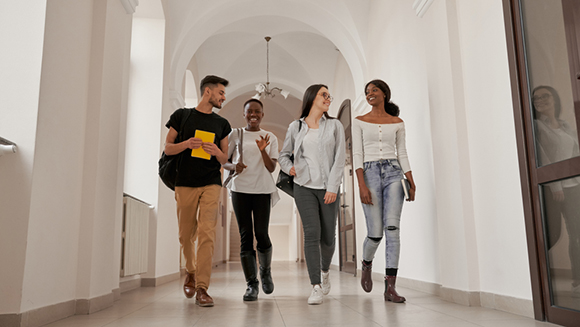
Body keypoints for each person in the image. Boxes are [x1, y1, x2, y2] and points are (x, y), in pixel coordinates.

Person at [164, 75, 232, 307]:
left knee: (207, 233)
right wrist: (187, 144)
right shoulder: (181, 116)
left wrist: (216, 151)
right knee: (185, 234)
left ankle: (202, 288)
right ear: (207, 92)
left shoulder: (222, 124)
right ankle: (190, 272)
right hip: (184, 182)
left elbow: (225, 160)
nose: (223, 97)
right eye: (221, 92)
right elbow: (168, 148)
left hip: (211, 182)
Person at [279, 84, 346, 305]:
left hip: (328, 187)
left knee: (328, 238)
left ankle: (325, 271)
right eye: (323, 94)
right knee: (311, 233)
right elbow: (283, 155)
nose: (328, 98)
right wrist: (289, 168)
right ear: (312, 98)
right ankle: (315, 285)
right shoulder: (295, 127)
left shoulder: (335, 125)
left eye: (329, 95)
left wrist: (333, 188)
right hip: (303, 186)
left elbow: (339, 158)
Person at [352, 79, 416, 303]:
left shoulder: (397, 122)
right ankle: (367, 264)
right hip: (368, 174)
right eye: (367, 91)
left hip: (393, 174)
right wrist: (361, 185)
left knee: (393, 229)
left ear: (384, 94)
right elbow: (357, 155)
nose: (370, 94)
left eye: (374, 90)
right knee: (376, 233)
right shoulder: (359, 121)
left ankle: (390, 287)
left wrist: (410, 179)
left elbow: (402, 153)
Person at [224, 99, 279, 301]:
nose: (253, 115)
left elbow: (272, 168)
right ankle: (251, 285)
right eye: (249, 111)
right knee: (245, 235)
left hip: (263, 190)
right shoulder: (235, 134)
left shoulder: (270, 136)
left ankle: (265, 271)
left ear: (262, 115)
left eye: (257, 111)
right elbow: (225, 161)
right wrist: (233, 167)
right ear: (244, 113)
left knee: (262, 234)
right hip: (240, 189)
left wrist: (263, 149)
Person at [532, 85, 580, 297]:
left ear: (555, 99)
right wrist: (556, 185)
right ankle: (535, 280)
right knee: (552, 235)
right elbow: (543, 157)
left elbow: (575, 154)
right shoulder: (536, 126)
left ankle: (578, 281)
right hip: (552, 188)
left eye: (545, 96)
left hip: (573, 187)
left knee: (577, 235)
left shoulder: (566, 126)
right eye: (536, 98)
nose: (540, 100)